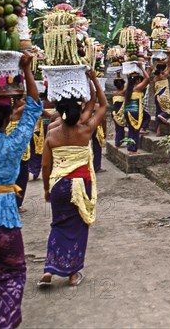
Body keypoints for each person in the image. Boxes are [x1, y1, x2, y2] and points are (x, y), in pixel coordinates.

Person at [0, 52, 42, 328]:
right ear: (7, 119)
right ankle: (4, 320)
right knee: (13, 272)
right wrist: (26, 71)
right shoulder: (14, 145)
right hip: (5, 221)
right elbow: (35, 106)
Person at [38, 70, 107, 287]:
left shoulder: (51, 133)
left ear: (58, 111)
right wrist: (93, 79)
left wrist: (46, 189)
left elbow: (46, 165)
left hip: (58, 184)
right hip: (80, 185)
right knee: (78, 228)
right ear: (80, 112)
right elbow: (101, 106)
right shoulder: (86, 130)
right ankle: (73, 274)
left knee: (58, 225)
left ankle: (49, 269)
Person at [5, 98, 31, 210]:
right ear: (15, 101)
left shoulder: (5, 113)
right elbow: (32, 102)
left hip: (8, 150)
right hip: (20, 151)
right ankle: (16, 204)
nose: (23, 101)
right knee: (21, 178)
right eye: (21, 99)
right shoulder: (18, 111)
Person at [123, 63, 150, 154]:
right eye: (139, 79)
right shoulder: (137, 88)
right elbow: (147, 78)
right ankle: (133, 149)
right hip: (135, 112)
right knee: (135, 130)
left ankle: (130, 148)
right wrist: (141, 67)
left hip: (127, 111)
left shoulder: (128, 88)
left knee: (131, 130)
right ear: (137, 80)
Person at [153, 53, 170, 136]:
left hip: (157, 97)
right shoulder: (164, 75)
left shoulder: (155, 77)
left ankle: (158, 131)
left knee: (158, 112)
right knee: (168, 109)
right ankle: (163, 115)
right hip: (164, 95)